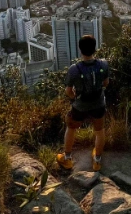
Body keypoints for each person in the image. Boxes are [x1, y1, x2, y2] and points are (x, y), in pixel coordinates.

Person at [56, 35, 109, 171]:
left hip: (80, 105)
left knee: (71, 128)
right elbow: (106, 83)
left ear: (80, 49)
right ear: (94, 49)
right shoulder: (103, 64)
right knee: (99, 130)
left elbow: (68, 91)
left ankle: (67, 159)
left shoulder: (74, 69)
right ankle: (97, 160)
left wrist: (74, 98)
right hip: (98, 103)